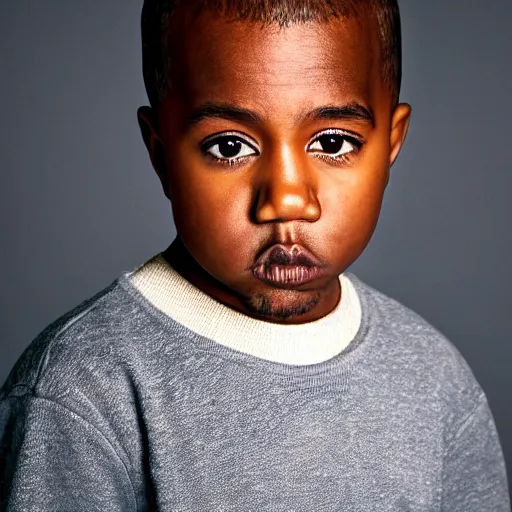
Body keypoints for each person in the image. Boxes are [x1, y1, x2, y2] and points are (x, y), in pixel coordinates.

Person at [1, 0, 510, 510]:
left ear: (391, 144)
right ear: (160, 155)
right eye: (229, 147)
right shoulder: (81, 391)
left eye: (332, 142)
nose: (286, 198)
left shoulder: (434, 378)